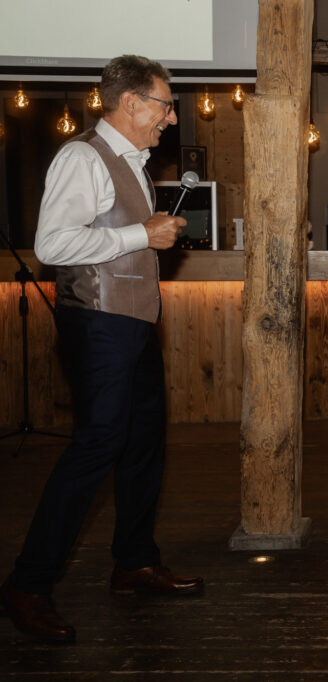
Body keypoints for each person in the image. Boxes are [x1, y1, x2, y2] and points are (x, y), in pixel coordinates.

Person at [1, 55, 203, 644]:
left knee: (144, 443)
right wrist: (142, 233)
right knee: (97, 446)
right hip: (97, 323)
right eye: (165, 105)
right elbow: (52, 243)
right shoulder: (82, 157)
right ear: (131, 102)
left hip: (135, 323)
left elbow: (111, 239)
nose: (171, 118)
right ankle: (27, 585)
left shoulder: (134, 162)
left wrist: (145, 237)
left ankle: (134, 563)